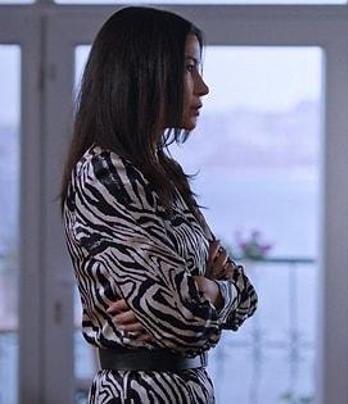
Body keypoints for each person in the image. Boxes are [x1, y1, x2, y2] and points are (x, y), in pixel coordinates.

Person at [59, 7, 257, 402]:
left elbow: (245, 295)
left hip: (186, 388)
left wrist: (209, 290)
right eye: (188, 68)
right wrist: (202, 291)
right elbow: (183, 319)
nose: (203, 87)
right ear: (143, 74)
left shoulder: (166, 173)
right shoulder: (104, 172)